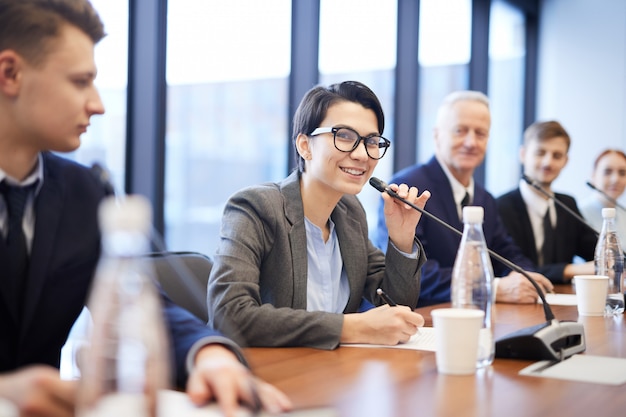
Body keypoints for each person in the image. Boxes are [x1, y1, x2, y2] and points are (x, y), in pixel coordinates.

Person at [0, 1, 290, 416]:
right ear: (11, 73)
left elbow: (143, 302)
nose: (97, 104)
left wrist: (209, 354)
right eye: (80, 81)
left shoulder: (83, 192)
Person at [207, 81, 430, 349]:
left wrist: (402, 239)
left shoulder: (350, 213)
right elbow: (229, 315)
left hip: (333, 374)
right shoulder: (256, 207)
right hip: (272, 375)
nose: (362, 154)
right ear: (305, 145)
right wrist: (349, 327)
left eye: (371, 141)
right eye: (345, 136)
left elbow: (395, 304)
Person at [375, 90, 553, 307]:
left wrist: (526, 277)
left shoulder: (484, 198)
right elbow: (413, 271)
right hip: (425, 318)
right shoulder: (408, 188)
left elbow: (504, 252)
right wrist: (492, 288)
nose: (471, 142)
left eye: (480, 133)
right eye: (460, 131)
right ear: (437, 135)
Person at [496, 121, 596, 283]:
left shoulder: (567, 204)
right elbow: (514, 267)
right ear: (523, 155)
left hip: (565, 300)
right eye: (540, 153)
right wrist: (570, 269)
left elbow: (595, 252)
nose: (548, 162)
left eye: (557, 156)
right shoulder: (501, 206)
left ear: (565, 161)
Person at [580, 149, 626, 251]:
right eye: (607, 172)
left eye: (622, 173)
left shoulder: (624, 213)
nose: (615, 179)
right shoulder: (578, 212)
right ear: (593, 175)